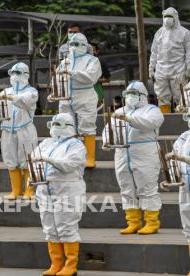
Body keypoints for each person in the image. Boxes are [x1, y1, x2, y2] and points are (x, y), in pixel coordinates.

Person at [102, 81, 164, 235]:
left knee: (147, 187)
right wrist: (106, 141)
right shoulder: (120, 111)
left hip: (145, 152)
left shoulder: (152, 110)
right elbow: (108, 128)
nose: (130, 97)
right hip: (122, 153)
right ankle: (133, 222)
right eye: (128, 93)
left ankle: (151, 221)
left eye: (134, 93)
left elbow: (150, 123)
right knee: (126, 187)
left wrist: (130, 119)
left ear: (142, 95)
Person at [33, 113, 86, 276]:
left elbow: (69, 165)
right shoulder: (46, 143)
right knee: (50, 227)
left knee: (66, 226)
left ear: (68, 126)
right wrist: (33, 178)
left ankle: (70, 265)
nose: (55, 127)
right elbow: (33, 161)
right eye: (53, 123)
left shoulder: (76, 145)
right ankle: (56, 263)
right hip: (45, 189)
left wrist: (49, 160)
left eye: (58, 123)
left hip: (68, 189)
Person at [0, 62, 39, 200]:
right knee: (11, 159)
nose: (15, 76)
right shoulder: (5, 92)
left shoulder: (32, 91)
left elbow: (24, 101)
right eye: (13, 73)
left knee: (28, 159)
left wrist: (10, 98)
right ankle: (15, 191)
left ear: (26, 75)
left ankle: (29, 190)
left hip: (25, 129)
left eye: (18, 73)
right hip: (7, 130)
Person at [57, 33, 102, 168]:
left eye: (77, 44)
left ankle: (89, 158)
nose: (73, 47)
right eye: (71, 44)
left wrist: (73, 74)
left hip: (85, 95)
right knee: (66, 126)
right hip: (66, 97)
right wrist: (57, 92)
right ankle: (73, 156)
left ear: (84, 45)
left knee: (87, 126)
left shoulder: (92, 60)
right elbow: (58, 78)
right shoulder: (65, 61)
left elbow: (91, 77)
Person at [149, 7, 190, 113]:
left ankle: (182, 122)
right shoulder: (159, 33)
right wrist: (151, 68)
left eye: (170, 16)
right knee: (162, 97)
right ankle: (164, 120)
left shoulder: (185, 33)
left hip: (178, 69)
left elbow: (189, 52)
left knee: (181, 97)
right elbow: (154, 52)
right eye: (165, 16)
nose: (167, 19)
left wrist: (189, 68)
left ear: (175, 17)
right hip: (160, 69)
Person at [167, 109, 190, 276]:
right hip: (186, 188)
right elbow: (173, 159)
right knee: (189, 228)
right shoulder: (184, 137)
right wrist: (171, 176)